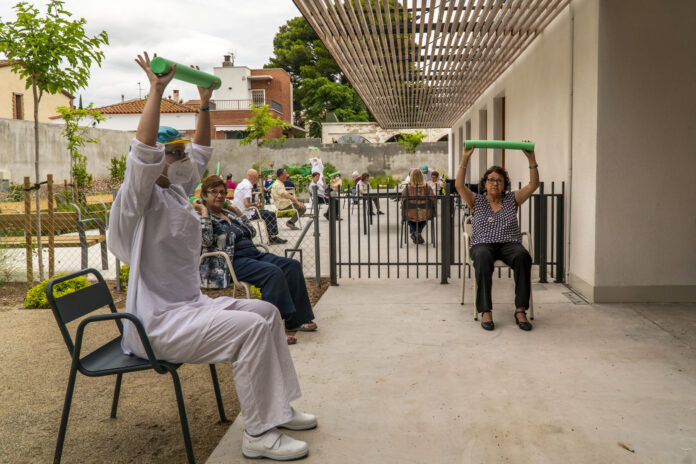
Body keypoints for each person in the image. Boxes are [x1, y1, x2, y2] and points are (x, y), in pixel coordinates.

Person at [108, 52, 315, 461]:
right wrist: (156, 89)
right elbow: (142, 150)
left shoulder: (176, 191)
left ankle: (278, 408)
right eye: (174, 153)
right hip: (155, 324)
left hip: (189, 308)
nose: (184, 158)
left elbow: (201, 151)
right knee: (250, 330)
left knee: (267, 314)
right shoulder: (139, 199)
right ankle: (258, 433)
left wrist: (205, 103)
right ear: (157, 163)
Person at [197, 175, 318, 341]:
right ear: (204, 195)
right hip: (231, 261)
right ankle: (270, 329)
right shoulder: (202, 218)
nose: (219, 195)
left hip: (253, 254)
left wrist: (237, 212)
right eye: (214, 192)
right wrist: (204, 212)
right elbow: (206, 240)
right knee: (272, 273)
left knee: (292, 265)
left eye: (222, 192)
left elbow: (252, 233)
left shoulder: (227, 213)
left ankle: (296, 320)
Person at [454, 141, 539, 332]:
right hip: (482, 244)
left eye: (499, 180)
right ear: (484, 183)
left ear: (504, 185)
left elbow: (534, 184)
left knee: (523, 256)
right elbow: (459, 185)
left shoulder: (512, 199)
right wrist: (465, 158)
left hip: (509, 244)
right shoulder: (477, 200)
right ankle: (485, 310)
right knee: (483, 258)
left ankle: (520, 310)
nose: (494, 183)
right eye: (491, 180)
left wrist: (531, 159)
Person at [233, 169, 287, 244]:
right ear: (254, 177)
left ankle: (272, 236)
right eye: (257, 177)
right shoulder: (248, 186)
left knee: (267, 212)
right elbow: (246, 204)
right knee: (270, 214)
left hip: (241, 212)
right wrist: (255, 204)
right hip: (246, 214)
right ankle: (272, 237)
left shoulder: (241, 184)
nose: (257, 179)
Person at [401, 169, 436, 244]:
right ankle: (418, 232)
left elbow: (402, 202)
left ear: (411, 177)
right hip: (425, 213)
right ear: (421, 177)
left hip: (410, 214)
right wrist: (433, 207)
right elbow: (433, 200)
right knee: (425, 215)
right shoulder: (428, 188)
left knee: (408, 216)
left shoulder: (407, 189)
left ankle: (416, 232)